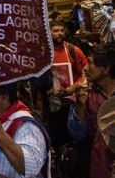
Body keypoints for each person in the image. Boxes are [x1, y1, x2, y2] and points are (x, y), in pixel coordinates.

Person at [68, 43, 115, 178]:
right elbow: (77, 134)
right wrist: (81, 105)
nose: (85, 68)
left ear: (106, 69)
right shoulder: (86, 94)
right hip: (98, 163)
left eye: (90, 63)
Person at [48, 19, 87, 150]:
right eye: (55, 31)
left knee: (74, 139)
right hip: (51, 107)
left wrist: (74, 87)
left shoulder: (73, 50)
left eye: (62, 30)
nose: (59, 33)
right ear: (49, 33)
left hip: (72, 105)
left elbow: (85, 74)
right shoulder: (43, 53)